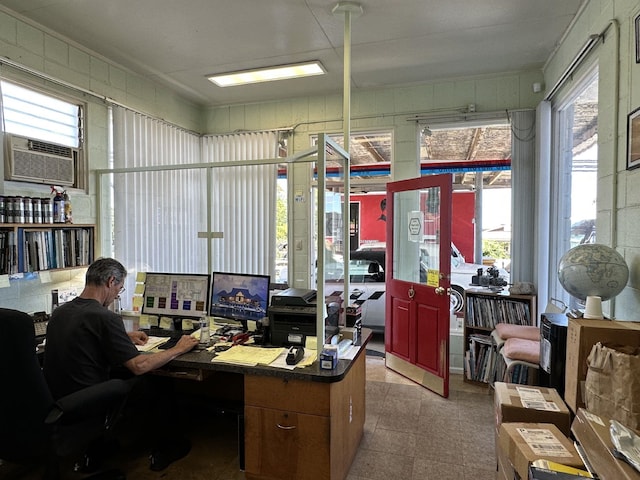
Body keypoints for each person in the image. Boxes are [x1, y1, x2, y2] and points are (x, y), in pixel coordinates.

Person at [43, 257, 199, 472]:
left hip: (61, 400)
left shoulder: (60, 312)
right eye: (120, 288)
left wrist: (122, 336)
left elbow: (84, 337)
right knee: (157, 382)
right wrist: (179, 348)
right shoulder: (104, 317)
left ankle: (101, 447)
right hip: (91, 402)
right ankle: (170, 447)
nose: (118, 294)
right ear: (110, 281)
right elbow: (139, 366)